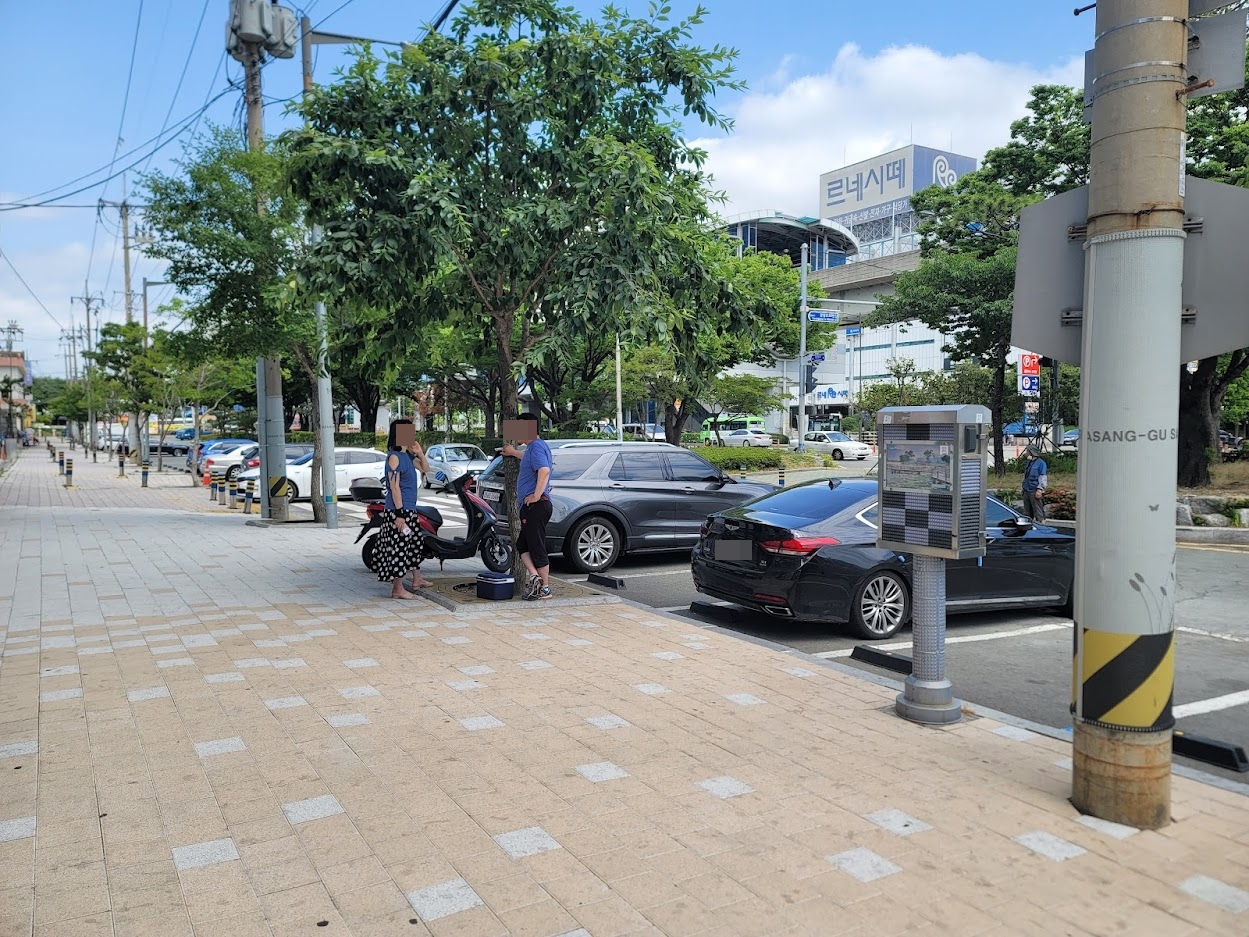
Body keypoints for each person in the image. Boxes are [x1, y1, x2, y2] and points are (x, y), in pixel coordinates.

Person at [501, 413, 553, 600]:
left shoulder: (537, 447)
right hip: (533, 507)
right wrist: (514, 453)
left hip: (536, 507)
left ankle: (545, 588)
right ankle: (535, 577)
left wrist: (536, 495)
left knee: (536, 546)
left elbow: (544, 470)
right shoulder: (535, 447)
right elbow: (533, 462)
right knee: (522, 544)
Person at [375, 419, 428, 599]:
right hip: (399, 511)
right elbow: (394, 487)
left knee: (413, 545)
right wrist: (400, 514)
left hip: (408, 509)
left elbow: (425, 468)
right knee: (399, 548)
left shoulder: (408, 456)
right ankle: (397, 588)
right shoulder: (394, 456)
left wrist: (420, 453)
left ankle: (416, 579)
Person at [1022, 443, 1048, 522]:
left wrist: (1040, 489)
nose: (1026, 453)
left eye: (1027, 451)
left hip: (1034, 490)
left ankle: (1041, 525)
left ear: (1031, 452)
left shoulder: (1041, 463)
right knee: (1027, 512)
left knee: (1038, 511)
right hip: (1026, 490)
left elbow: (1042, 477)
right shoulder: (1029, 462)